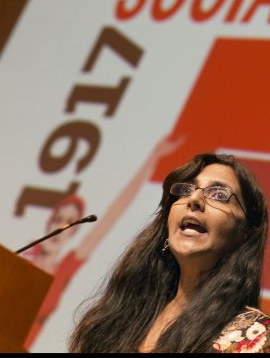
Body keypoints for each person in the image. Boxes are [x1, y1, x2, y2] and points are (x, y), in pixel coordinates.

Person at [68, 153, 270, 353]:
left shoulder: (257, 338)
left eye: (219, 194)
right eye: (185, 190)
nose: (194, 199)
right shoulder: (122, 314)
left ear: (245, 232)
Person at [21, 134, 185, 349]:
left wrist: (152, 158)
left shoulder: (66, 267)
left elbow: (114, 213)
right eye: (58, 219)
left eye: (69, 222)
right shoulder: (22, 260)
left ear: (73, 232)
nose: (61, 225)